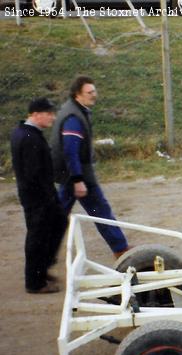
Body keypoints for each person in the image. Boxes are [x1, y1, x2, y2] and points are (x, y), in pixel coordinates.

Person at [50, 75, 130, 258]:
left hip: (70, 174)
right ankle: (121, 249)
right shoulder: (74, 118)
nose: (94, 95)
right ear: (78, 95)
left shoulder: (73, 110)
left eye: (94, 91)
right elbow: (70, 151)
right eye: (89, 92)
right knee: (100, 210)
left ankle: (44, 253)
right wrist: (78, 180)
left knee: (59, 216)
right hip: (77, 175)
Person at [10, 98, 68, 294]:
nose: (52, 117)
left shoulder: (25, 133)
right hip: (38, 198)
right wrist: (48, 197)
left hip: (37, 196)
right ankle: (35, 282)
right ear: (35, 114)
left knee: (56, 224)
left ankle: (41, 271)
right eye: (48, 113)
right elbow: (33, 173)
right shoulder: (29, 137)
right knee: (38, 237)